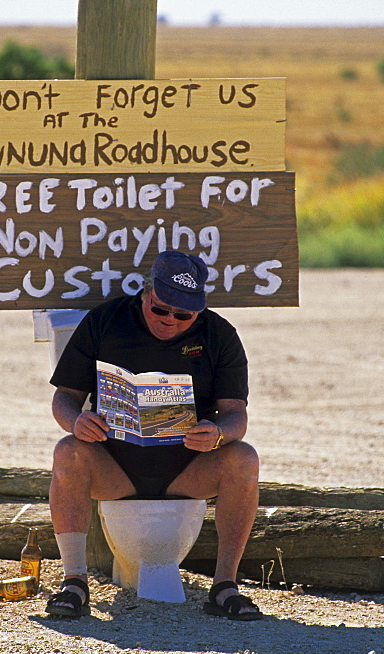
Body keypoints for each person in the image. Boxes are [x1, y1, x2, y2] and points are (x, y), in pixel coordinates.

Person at [45, 250, 262, 621]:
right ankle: (74, 582)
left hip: (186, 471)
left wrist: (218, 435)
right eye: (161, 309)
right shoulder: (106, 320)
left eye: (183, 315)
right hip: (115, 469)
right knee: (68, 450)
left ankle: (225, 585)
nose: (170, 320)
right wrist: (76, 422)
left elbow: (235, 415)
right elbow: (64, 398)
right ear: (146, 292)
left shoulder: (219, 334)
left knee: (244, 458)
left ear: (198, 310)